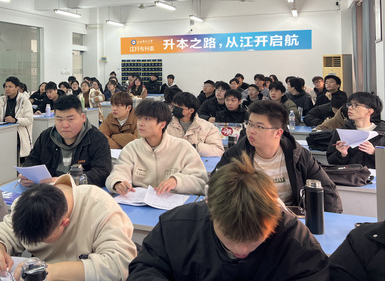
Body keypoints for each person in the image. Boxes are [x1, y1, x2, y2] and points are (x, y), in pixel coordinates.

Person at [127, 154, 329, 281]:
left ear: (275, 215)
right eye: (231, 238)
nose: (242, 250)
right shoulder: (175, 228)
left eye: (254, 239)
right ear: (210, 210)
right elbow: (145, 269)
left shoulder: (295, 239)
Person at [0, 174, 137, 281]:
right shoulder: (27, 205)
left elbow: (119, 265)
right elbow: (2, 233)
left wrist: (49, 272)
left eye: (42, 240)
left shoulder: (101, 208)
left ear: (64, 224)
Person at [214, 100, 342, 212]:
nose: (251, 131)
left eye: (259, 127)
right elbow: (215, 188)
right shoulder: (236, 154)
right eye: (250, 124)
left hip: (290, 218)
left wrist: (329, 222)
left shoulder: (298, 155)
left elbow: (328, 191)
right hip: (250, 218)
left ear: (278, 133)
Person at [107, 100, 207, 195]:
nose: (140, 123)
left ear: (162, 124)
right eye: (139, 118)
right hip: (138, 201)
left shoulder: (182, 147)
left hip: (173, 201)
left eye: (147, 119)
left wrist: (177, 181)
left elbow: (201, 182)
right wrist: (117, 183)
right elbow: (118, 172)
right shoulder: (131, 148)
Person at [21, 94, 111, 187]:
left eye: (70, 119)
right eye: (59, 120)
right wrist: (28, 175)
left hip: (80, 191)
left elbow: (102, 172)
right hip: (48, 190)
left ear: (83, 117)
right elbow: (32, 159)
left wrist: (67, 180)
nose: (65, 125)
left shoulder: (97, 139)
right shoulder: (47, 136)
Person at [327, 92, 385, 169]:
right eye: (350, 104)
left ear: (369, 111)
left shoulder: (382, 133)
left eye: (355, 105)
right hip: (350, 175)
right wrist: (342, 155)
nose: (350, 108)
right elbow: (331, 161)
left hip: (375, 176)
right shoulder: (342, 132)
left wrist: (375, 153)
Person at [166, 92, 224, 156]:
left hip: (197, 161)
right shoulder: (166, 125)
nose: (175, 109)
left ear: (191, 111)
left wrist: (195, 147)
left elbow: (218, 151)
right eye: (174, 106)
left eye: (179, 107)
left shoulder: (208, 127)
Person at [0, 76, 34, 159]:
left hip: (18, 132)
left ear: (17, 88)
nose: (7, 89)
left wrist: (15, 120)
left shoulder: (24, 100)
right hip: (4, 130)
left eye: (10, 87)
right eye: (6, 87)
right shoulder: (3, 100)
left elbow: (29, 120)